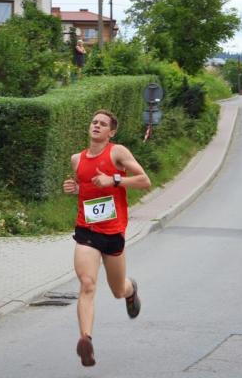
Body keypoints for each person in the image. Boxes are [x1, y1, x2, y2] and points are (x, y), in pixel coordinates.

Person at [63, 110, 152, 367]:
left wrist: (113, 179)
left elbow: (144, 181)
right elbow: (87, 187)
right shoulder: (77, 159)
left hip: (113, 232)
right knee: (87, 284)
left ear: (111, 132)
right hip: (87, 231)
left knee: (117, 290)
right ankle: (86, 340)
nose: (97, 126)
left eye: (103, 124)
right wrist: (75, 189)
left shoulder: (117, 153)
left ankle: (131, 290)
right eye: (94, 122)